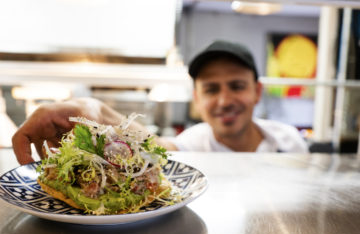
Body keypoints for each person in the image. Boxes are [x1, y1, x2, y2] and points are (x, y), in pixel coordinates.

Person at [12, 40, 308, 165]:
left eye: (237, 86)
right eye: (211, 89)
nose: (224, 100)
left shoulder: (289, 141)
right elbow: (153, 145)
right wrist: (94, 110)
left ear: (257, 91)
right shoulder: (194, 144)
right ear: (197, 98)